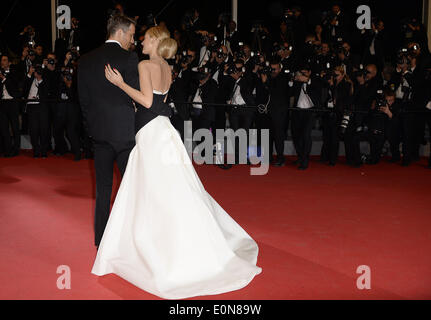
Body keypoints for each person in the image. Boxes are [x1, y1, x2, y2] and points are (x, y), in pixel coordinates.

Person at [92, 25, 261, 299]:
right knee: (171, 190)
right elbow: (158, 102)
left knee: (154, 192)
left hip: (150, 134)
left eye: (145, 38)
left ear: (155, 41)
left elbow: (147, 101)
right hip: (164, 130)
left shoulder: (146, 65)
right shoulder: (167, 68)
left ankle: (155, 247)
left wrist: (120, 83)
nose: (141, 42)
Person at [78, 14, 172, 249]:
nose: (133, 40)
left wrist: (93, 131)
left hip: (99, 137)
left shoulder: (86, 59)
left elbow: (84, 102)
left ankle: (101, 242)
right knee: (134, 189)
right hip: (126, 136)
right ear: (119, 32)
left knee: (103, 191)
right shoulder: (130, 58)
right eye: (131, 35)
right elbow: (144, 97)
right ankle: (134, 239)